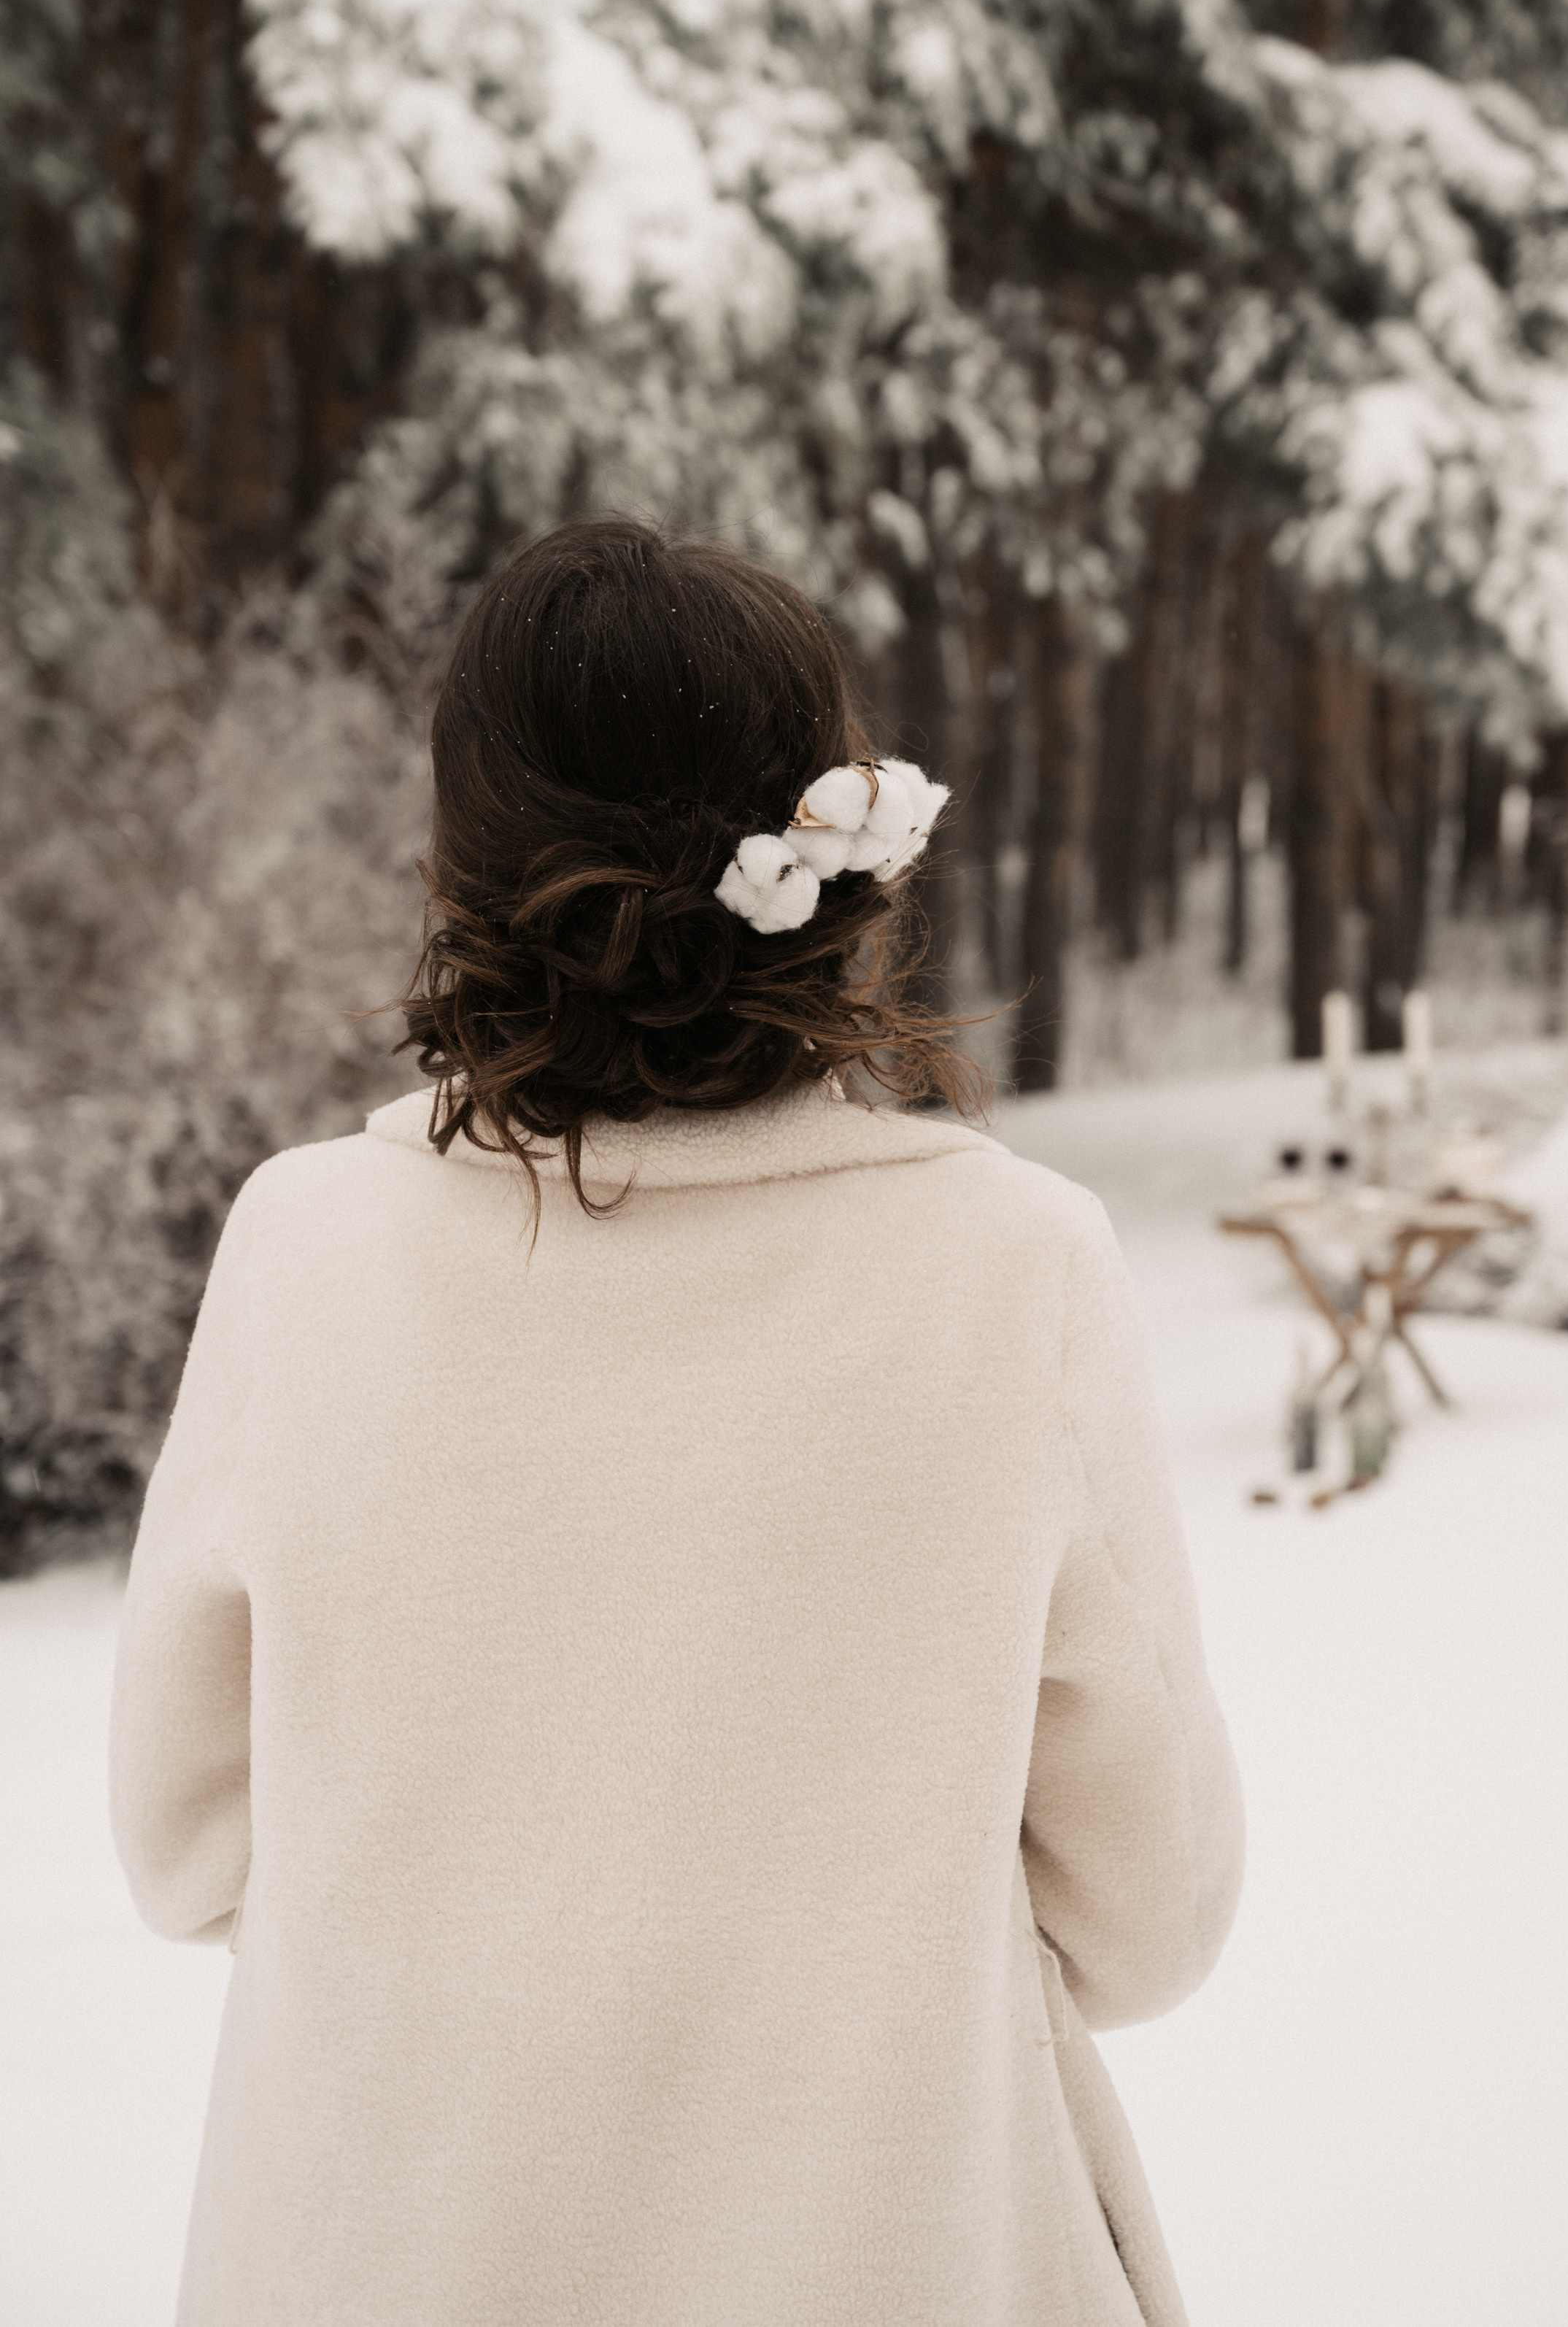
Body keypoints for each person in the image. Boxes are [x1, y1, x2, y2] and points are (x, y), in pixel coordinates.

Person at [109, 518, 1243, 2327]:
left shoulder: (303, 1247)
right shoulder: (1011, 1267)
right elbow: (1147, 1910)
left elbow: (185, 1846)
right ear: (834, 832)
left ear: (460, 865)